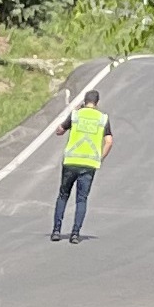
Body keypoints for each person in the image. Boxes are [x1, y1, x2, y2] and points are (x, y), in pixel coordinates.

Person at [48, 97, 111, 242]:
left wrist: (73, 112)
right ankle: (75, 234)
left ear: (84, 101)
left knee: (63, 195)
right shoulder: (102, 118)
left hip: (71, 161)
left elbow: (59, 131)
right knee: (81, 199)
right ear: (97, 103)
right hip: (89, 164)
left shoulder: (76, 115)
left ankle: (56, 231)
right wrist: (100, 158)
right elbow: (109, 141)